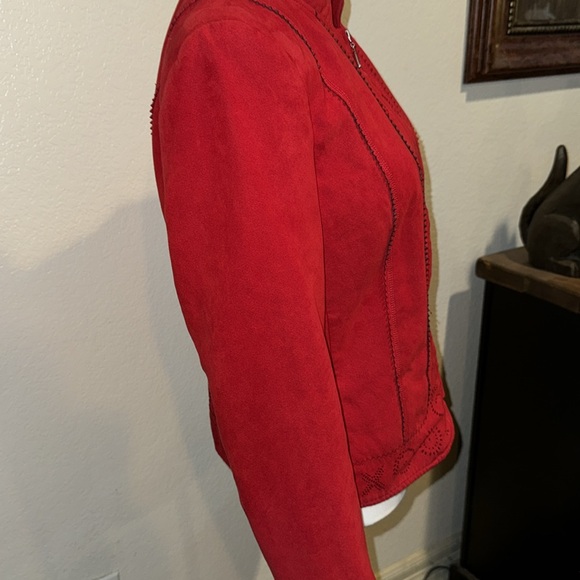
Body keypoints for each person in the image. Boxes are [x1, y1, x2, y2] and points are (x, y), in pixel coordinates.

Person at [151, 0, 455, 577]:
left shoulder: (312, 24)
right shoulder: (237, 43)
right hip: (327, 459)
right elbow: (266, 356)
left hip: (368, 429)